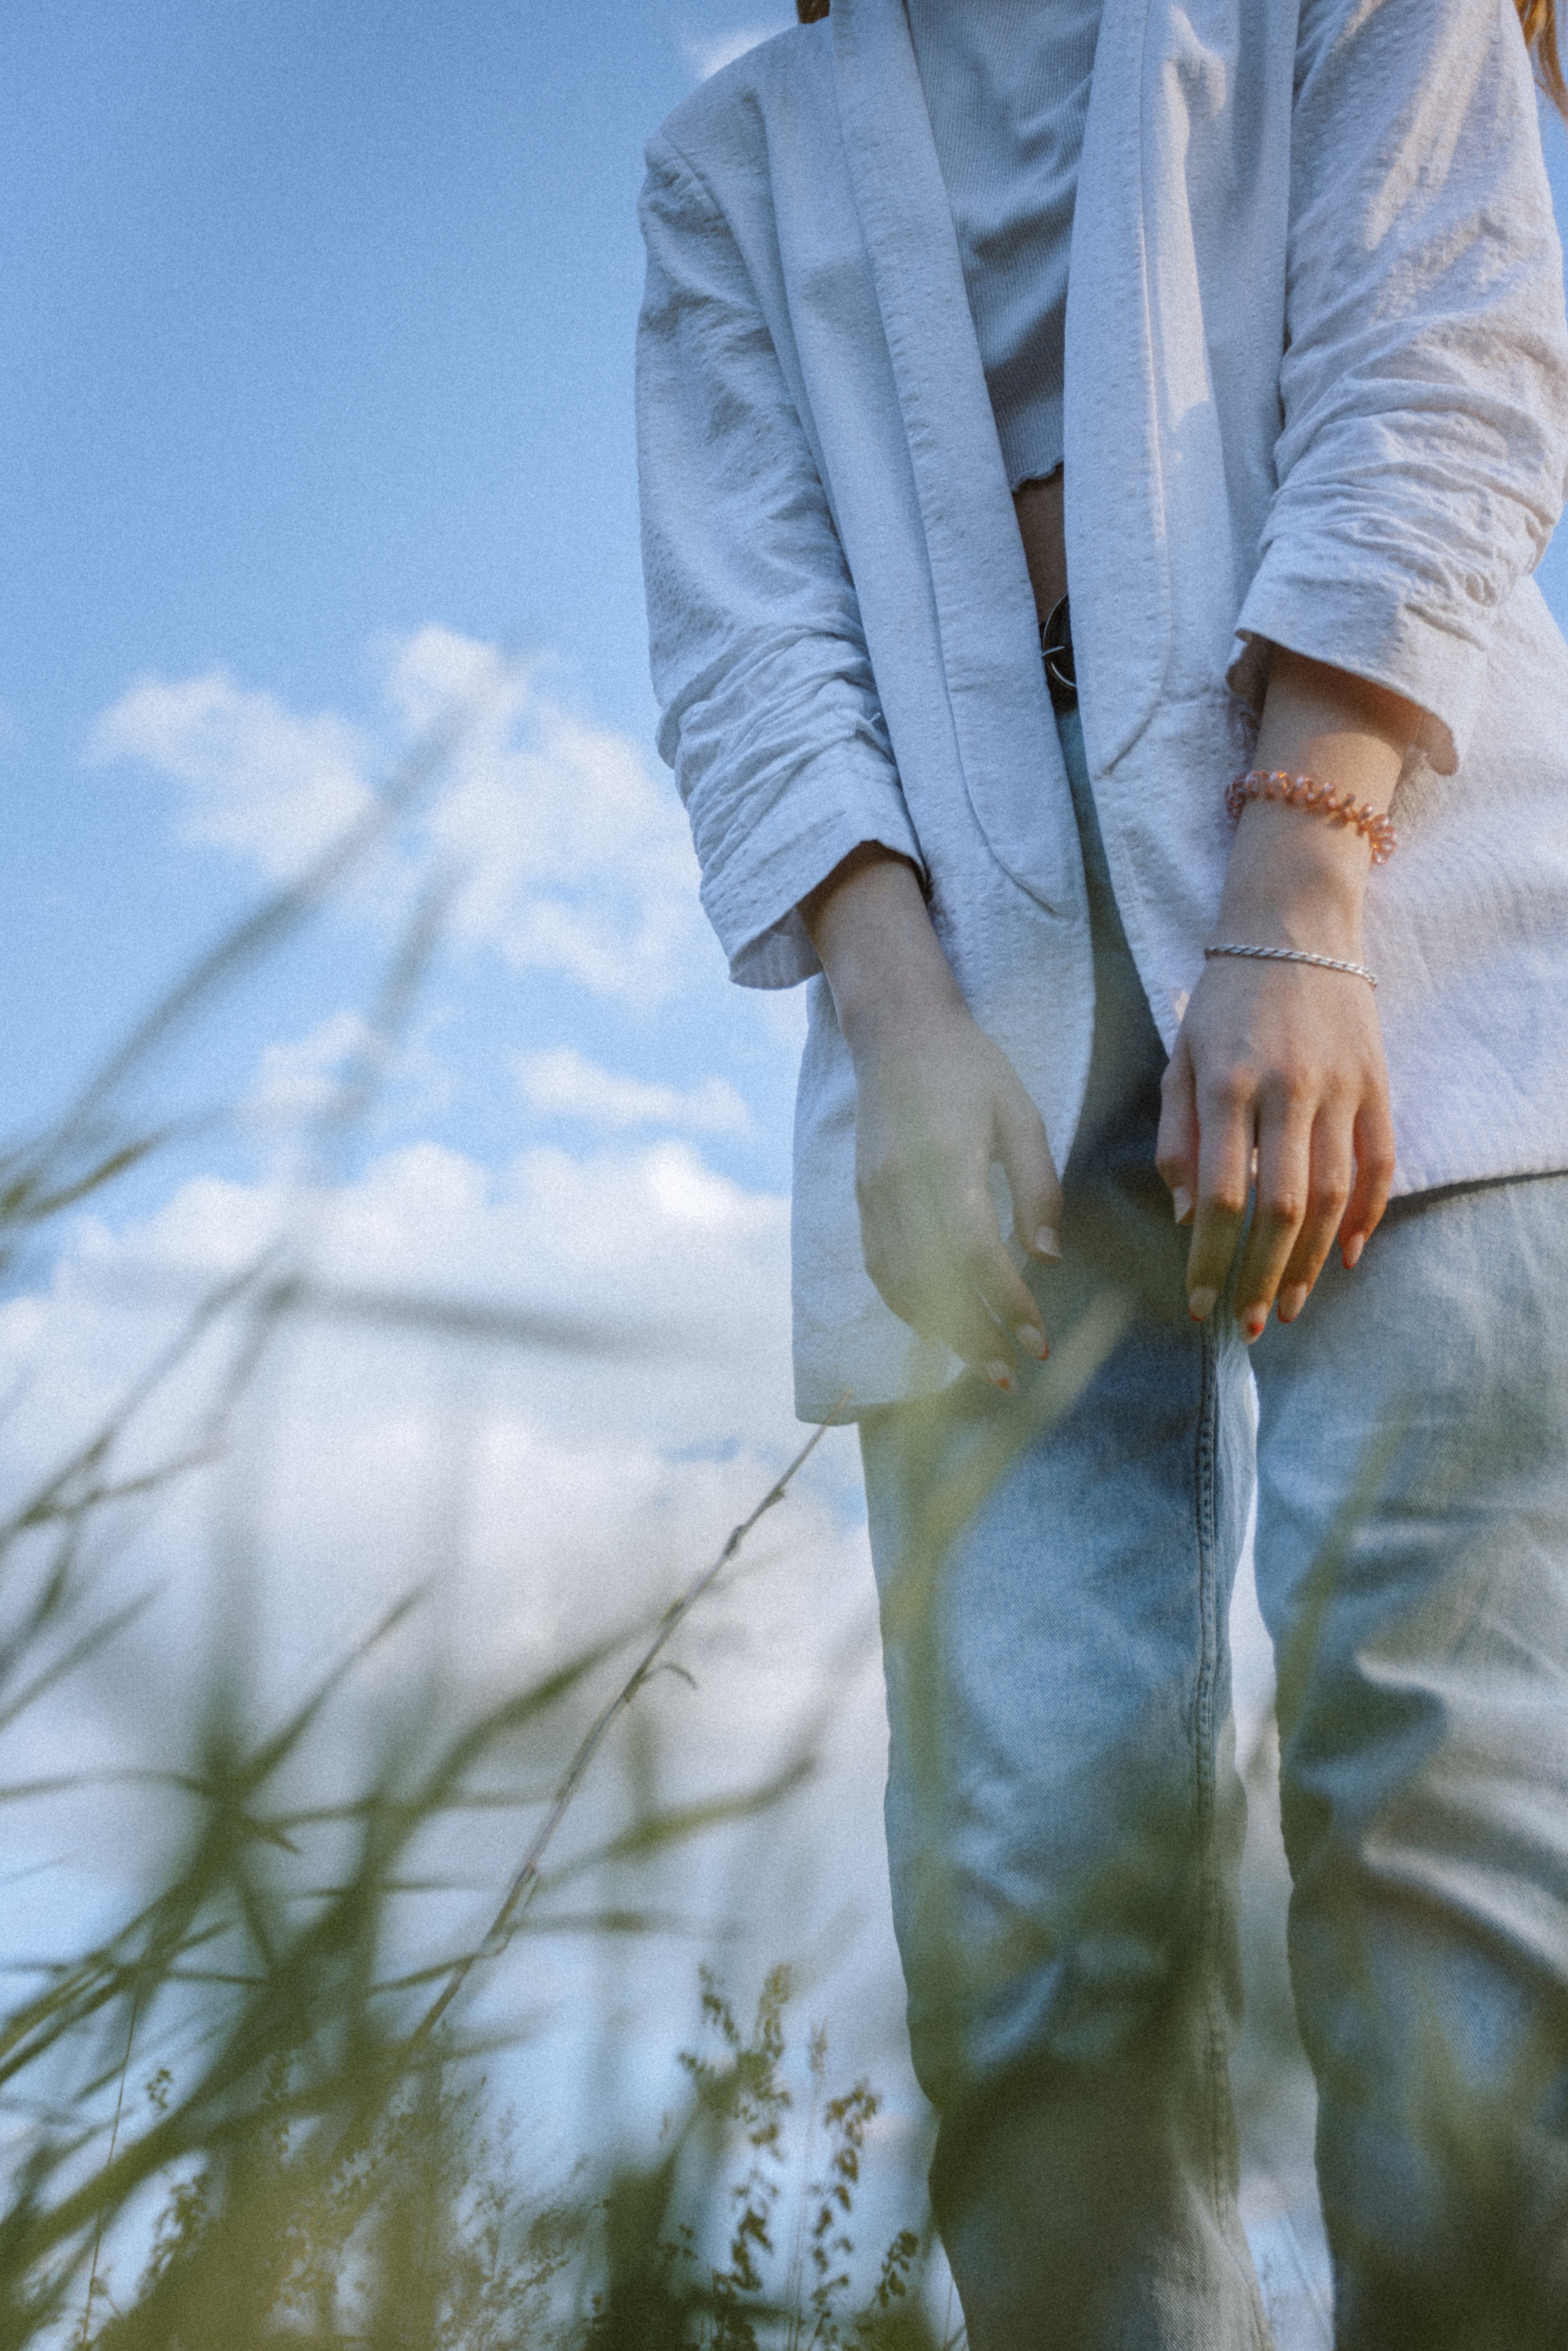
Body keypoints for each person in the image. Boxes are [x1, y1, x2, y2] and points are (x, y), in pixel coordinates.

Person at [635, 0, 1568, 2341]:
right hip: (953, 1006)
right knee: (1033, 1918)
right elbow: (748, 619)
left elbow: (1445, 347)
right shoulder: (728, 159)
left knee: (1451, 1805)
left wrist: (1301, 894)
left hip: (1396, 913)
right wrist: (899, 1009)